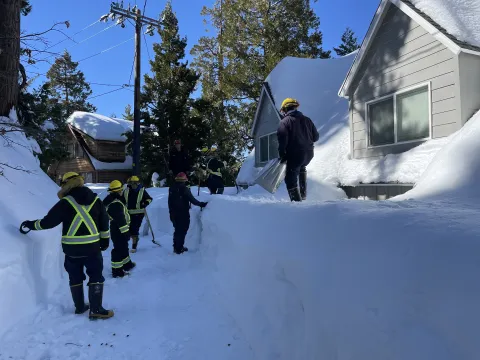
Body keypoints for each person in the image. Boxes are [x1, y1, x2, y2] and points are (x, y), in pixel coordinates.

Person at [20, 172, 114, 319]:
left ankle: (80, 307)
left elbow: (48, 222)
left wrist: (31, 225)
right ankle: (96, 309)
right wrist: (105, 241)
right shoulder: (96, 201)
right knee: (95, 275)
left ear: (66, 185)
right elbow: (104, 223)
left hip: (71, 250)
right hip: (92, 248)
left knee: (75, 276)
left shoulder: (65, 203)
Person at [277, 98, 319, 202]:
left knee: (290, 179)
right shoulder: (307, 120)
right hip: (309, 154)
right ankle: (303, 197)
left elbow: (282, 141)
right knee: (301, 168)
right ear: (296, 107)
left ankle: (298, 205)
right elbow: (316, 137)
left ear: (285, 109)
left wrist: (282, 154)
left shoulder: (285, 122)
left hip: (295, 155)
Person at [168, 172, 207, 254]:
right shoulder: (184, 188)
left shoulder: (171, 188)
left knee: (177, 230)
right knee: (182, 230)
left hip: (173, 213)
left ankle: (176, 247)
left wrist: (171, 212)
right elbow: (192, 200)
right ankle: (179, 248)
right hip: (183, 214)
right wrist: (201, 204)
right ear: (184, 180)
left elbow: (169, 201)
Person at [103, 180, 136, 278]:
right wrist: (126, 232)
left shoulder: (113, 200)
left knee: (124, 247)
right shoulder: (115, 203)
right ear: (118, 191)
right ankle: (117, 271)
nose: (122, 192)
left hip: (117, 229)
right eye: (121, 190)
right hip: (118, 230)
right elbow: (120, 220)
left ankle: (127, 264)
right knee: (119, 249)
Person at [123, 176, 152, 253]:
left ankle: (134, 245)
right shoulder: (126, 191)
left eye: (135, 183)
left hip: (138, 214)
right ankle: (127, 243)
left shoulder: (142, 190)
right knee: (128, 229)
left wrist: (145, 203)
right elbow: (122, 200)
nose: (133, 185)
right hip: (128, 213)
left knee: (134, 229)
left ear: (138, 183)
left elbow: (149, 199)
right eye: (131, 183)